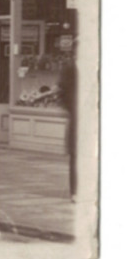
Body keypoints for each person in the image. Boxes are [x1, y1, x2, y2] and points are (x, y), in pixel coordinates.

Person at [59, 51, 78, 200]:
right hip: (77, 120)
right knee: (76, 156)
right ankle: (75, 192)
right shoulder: (69, 69)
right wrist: (73, 109)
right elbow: (62, 94)